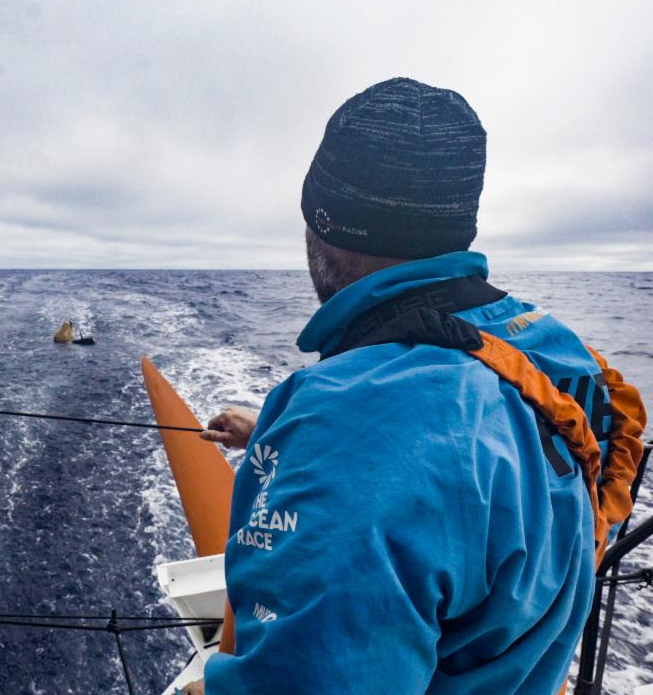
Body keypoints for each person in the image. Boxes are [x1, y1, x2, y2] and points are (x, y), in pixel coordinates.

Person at [188, 78, 646, 694]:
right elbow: (479, 499)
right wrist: (272, 431)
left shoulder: (341, 429)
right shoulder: (555, 356)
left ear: (322, 224)